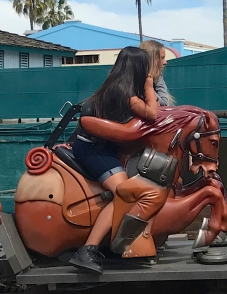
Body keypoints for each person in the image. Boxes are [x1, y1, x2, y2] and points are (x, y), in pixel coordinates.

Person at [67, 46, 160, 273]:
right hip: (93, 150)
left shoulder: (115, 88)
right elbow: (153, 113)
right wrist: (149, 87)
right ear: (138, 69)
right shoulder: (125, 93)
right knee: (124, 194)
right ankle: (88, 249)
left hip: (101, 148)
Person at [140, 39, 174, 106]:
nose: (165, 62)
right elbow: (164, 104)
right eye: (161, 58)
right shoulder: (138, 83)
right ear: (151, 59)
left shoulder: (157, 77)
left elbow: (164, 103)